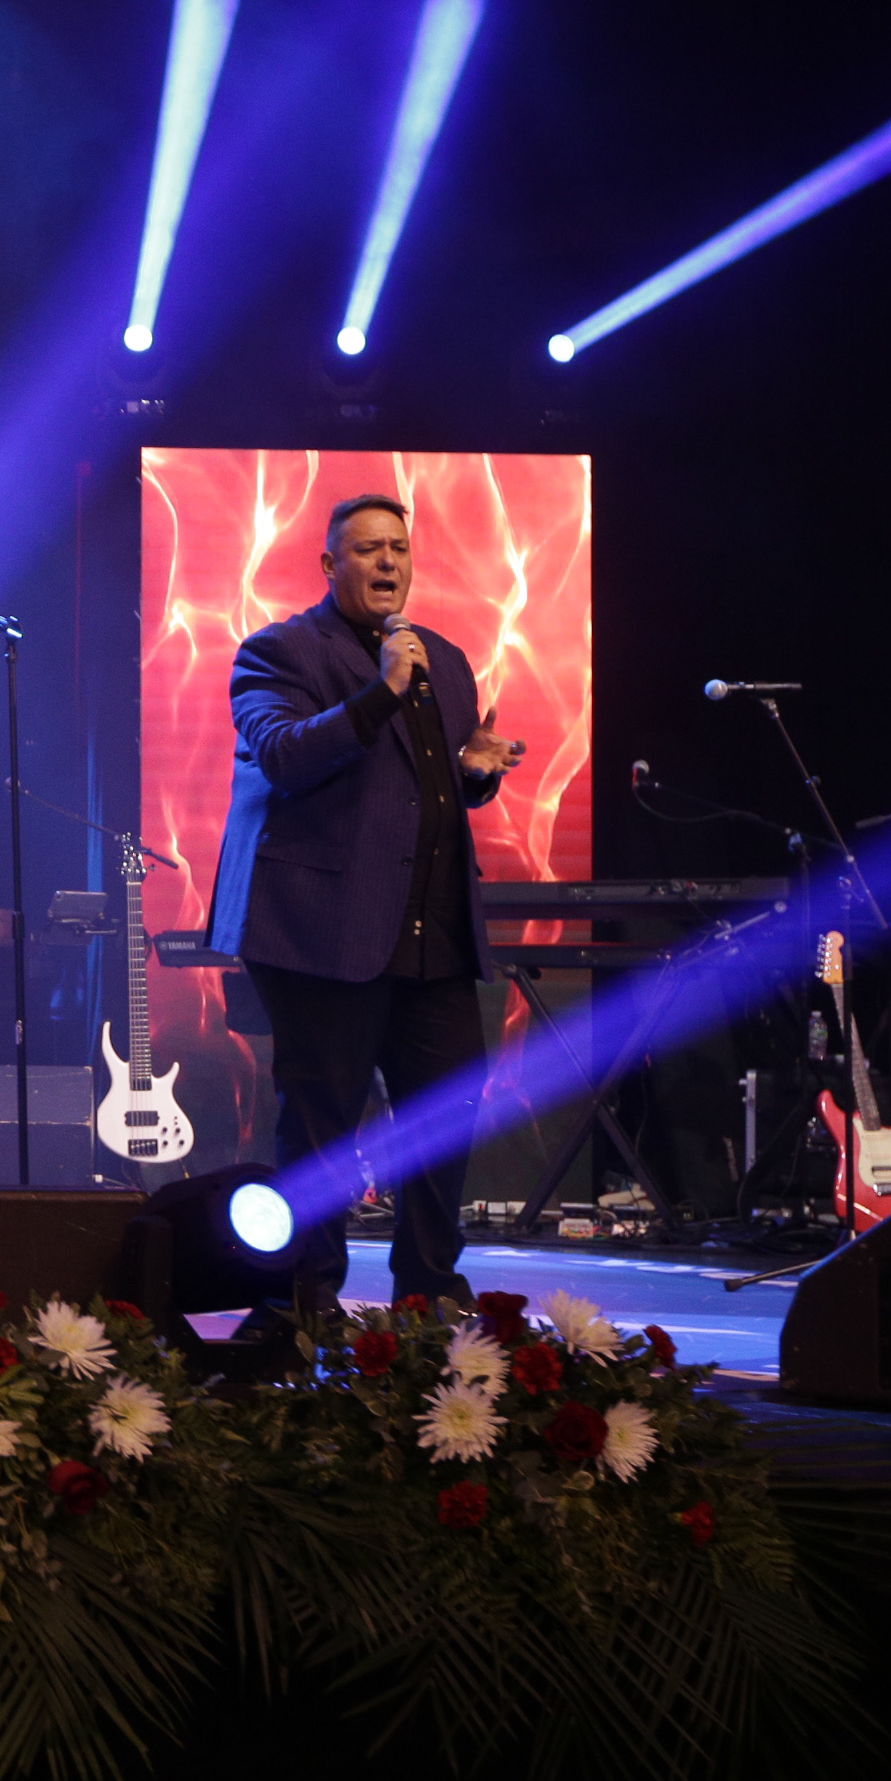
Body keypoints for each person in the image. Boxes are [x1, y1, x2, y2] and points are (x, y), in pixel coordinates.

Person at [204, 492, 529, 1316]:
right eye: (367, 549)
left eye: (399, 548)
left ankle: (428, 1295)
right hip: (322, 933)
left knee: (446, 1118)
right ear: (329, 563)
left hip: (433, 935)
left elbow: (420, 789)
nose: (388, 561)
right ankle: (306, 1301)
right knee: (323, 1129)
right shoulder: (278, 652)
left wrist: (474, 774)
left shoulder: (444, 660)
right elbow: (283, 755)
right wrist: (381, 692)